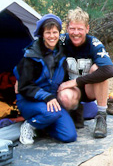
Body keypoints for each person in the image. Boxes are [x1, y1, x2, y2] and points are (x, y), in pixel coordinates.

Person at [14, 14, 77, 144]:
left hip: (51, 100)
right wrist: (46, 96)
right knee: (52, 114)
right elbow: (24, 87)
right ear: (42, 34)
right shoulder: (31, 56)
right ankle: (30, 125)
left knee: (69, 136)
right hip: (30, 100)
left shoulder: (62, 53)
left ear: (59, 33)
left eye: (55, 32)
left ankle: (42, 126)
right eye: (48, 32)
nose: (52, 36)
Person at [57, 7, 113, 138]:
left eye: (80, 29)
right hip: (71, 91)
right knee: (64, 96)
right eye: (72, 28)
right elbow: (41, 45)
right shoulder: (61, 41)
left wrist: (75, 81)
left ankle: (101, 117)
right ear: (67, 28)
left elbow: (109, 70)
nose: (76, 33)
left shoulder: (93, 43)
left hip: (89, 89)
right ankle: (74, 112)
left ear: (87, 29)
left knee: (99, 70)